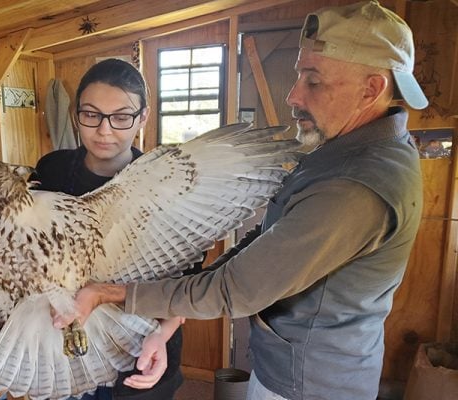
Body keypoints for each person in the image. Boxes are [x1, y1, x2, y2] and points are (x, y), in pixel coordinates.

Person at [54, 2, 427, 399]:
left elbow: (239, 289)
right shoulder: (337, 153)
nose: (293, 95)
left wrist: (111, 292)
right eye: (299, 74)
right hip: (291, 368)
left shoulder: (355, 187)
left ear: (371, 88)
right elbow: (260, 246)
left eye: (313, 81)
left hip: (311, 385)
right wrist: (167, 320)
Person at [33, 58, 184, 399]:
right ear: (76, 115)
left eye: (121, 117)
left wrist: (162, 333)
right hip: (65, 347)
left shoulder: (163, 182)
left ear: (143, 117)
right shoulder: (52, 169)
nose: (104, 130)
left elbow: (188, 281)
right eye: (91, 114)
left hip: (144, 346)